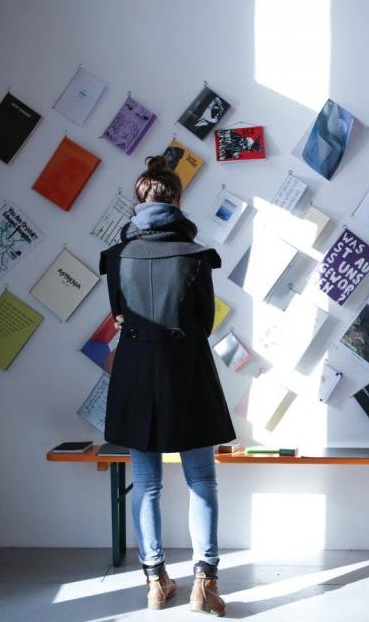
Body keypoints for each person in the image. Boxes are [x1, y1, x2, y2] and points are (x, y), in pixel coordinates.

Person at [99, 156, 235, 614]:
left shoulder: (116, 257)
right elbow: (203, 322)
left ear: (138, 201)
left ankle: (155, 581)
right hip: (187, 375)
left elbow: (120, 316)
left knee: (147, 483)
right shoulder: (195, 256)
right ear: (178, 200)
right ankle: (205, 585)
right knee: (202, 480)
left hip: (136, 374)